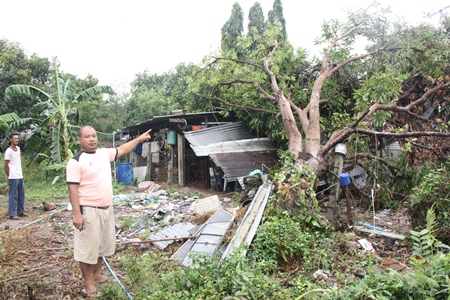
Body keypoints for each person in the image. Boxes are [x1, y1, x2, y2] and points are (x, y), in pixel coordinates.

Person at [66, 125, 151, 297]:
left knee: (101, 246)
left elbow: (122, 149)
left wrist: (139, 139)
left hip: (106, 208)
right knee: (87, 249)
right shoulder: (75, 161)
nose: (92, 139)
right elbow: (72, 189)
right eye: (87, 137)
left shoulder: (103, 154)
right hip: (88, 210)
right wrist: (77, 214)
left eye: (94, 136)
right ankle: (88, 283)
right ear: (79, 140)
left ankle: (97, 275)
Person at [4, 132, 27, 220]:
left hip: (19, 175)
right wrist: (8, 176)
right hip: (13, 176)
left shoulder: (18, 149)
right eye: (15, 138)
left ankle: (20, 211)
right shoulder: (8, 151)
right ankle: (11, 213)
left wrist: (21, 174)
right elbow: (6, 165)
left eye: (17, 138)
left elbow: (18, 163)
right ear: (11, 140)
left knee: (21, 194)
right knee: (13, 195)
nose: (17, 140)